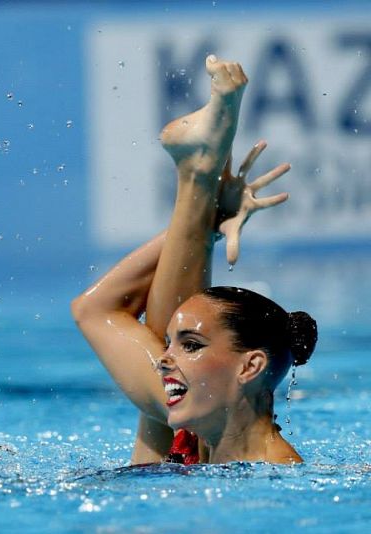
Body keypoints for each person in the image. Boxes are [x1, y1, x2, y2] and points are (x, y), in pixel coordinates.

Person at [72, 56, 317, 465]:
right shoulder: (192, 434)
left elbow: (98, 312)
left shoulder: (278, 481)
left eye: (190, 345)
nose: (163, 356)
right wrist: (207, 221)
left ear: (250, 366)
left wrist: (203, 211)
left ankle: (198, 173)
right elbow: (94, 310)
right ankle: (198, 174)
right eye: (171, 343)